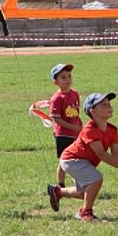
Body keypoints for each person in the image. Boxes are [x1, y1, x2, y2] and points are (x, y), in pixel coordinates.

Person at [50, 91, 118, 221]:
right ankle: (85, 212)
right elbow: (101, 154)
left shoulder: (113, 130)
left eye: (109, 103)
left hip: (82, 161)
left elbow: (116, 153)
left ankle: (57, 192)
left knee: (84, 193)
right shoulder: (89, 130)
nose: (109, 106)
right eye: (103, 104)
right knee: (96, 179)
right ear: (93, 111)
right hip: (71, 160)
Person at [45, 62, 82, 208]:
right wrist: (72, 127)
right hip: (63, 135)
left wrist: (80, 126)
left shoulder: (75, 94)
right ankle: (60, 185)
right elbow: (56, 118)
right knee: (64, 160)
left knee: (76, 158)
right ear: (56, 82)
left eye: (69, 76)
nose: (67, 79)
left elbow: (76, 113)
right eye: (63, 77)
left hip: (76, 132)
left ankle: (63, 187)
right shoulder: (57, 98)